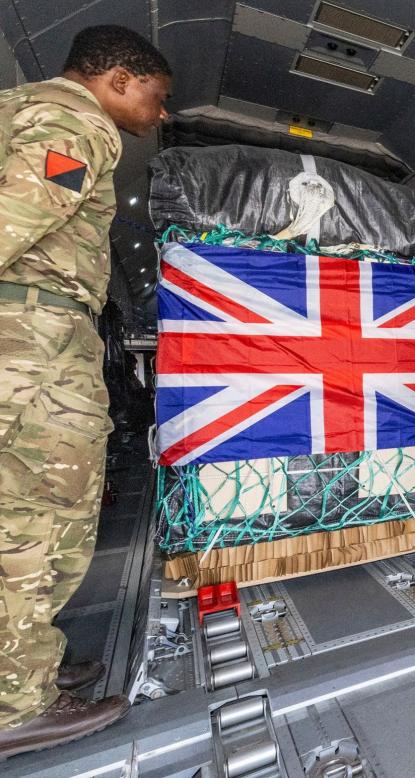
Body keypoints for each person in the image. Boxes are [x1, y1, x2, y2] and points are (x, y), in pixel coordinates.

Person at [0, 25, 170, 758]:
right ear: (121, 80)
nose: (159, 115)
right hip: (30, 343)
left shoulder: (21, 105)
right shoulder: (74, 122)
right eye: (157, 99)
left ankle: (26, 666)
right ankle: (15, 702)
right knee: (37, 523)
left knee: (24, 515)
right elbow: (15, 218)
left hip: (33, 336)